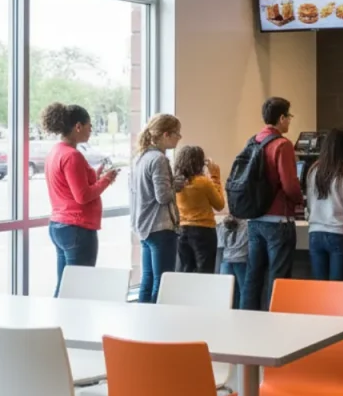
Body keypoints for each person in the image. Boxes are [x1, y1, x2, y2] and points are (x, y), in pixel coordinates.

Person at [41, 102, 119, 297]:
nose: (91, 130)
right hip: (77, 228)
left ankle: (57, 316)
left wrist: (97, 176)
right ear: (78, 126)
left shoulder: (56, 152)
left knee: (65, 286)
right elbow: (82, 196)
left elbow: (70, 185)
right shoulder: (72, 156)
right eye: (89, 126)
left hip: (60, 225)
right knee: (79, 290)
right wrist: (107, 180)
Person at [243, 97, 304, 311]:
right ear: (281, 118)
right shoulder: (283, 145)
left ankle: (247, 321)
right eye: (289, 117)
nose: (289, 121)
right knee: (279, 278)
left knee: (253, 275)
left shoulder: (253, 141)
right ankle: (275, 323)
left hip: (254, 219)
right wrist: (300, 200)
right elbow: (290, 185)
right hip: (279, 220)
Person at [131, 114, 183, 304]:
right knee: (162, 282)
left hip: (144, 226)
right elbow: (163, 196)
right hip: (160, 225)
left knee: (147, 279)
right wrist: (177, 185)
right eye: (177, 133)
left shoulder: (141, 157)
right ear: (166, 134)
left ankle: (143, 317)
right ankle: (157, 319)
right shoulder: (160, 159)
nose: (179, 138)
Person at [307, 128, 343, 281]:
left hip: (315, 233)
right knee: (338, 289)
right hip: (340, 233)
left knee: (320, 288)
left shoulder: (314, 171)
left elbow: (310, 207)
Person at [174, 145, 225, 274]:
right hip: (204, 231)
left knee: (186, 271)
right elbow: (219, 205)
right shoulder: (203, 182)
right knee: (205, 272)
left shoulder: (176, 183)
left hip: (182, 229)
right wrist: (215, 177)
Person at [217, 215, 248, 309]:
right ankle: (242, 313)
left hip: (226, 261)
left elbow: (220, 246)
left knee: (227, 292)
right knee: (244, 291)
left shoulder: (222, 225)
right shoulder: (247, 225)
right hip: (242, 260)